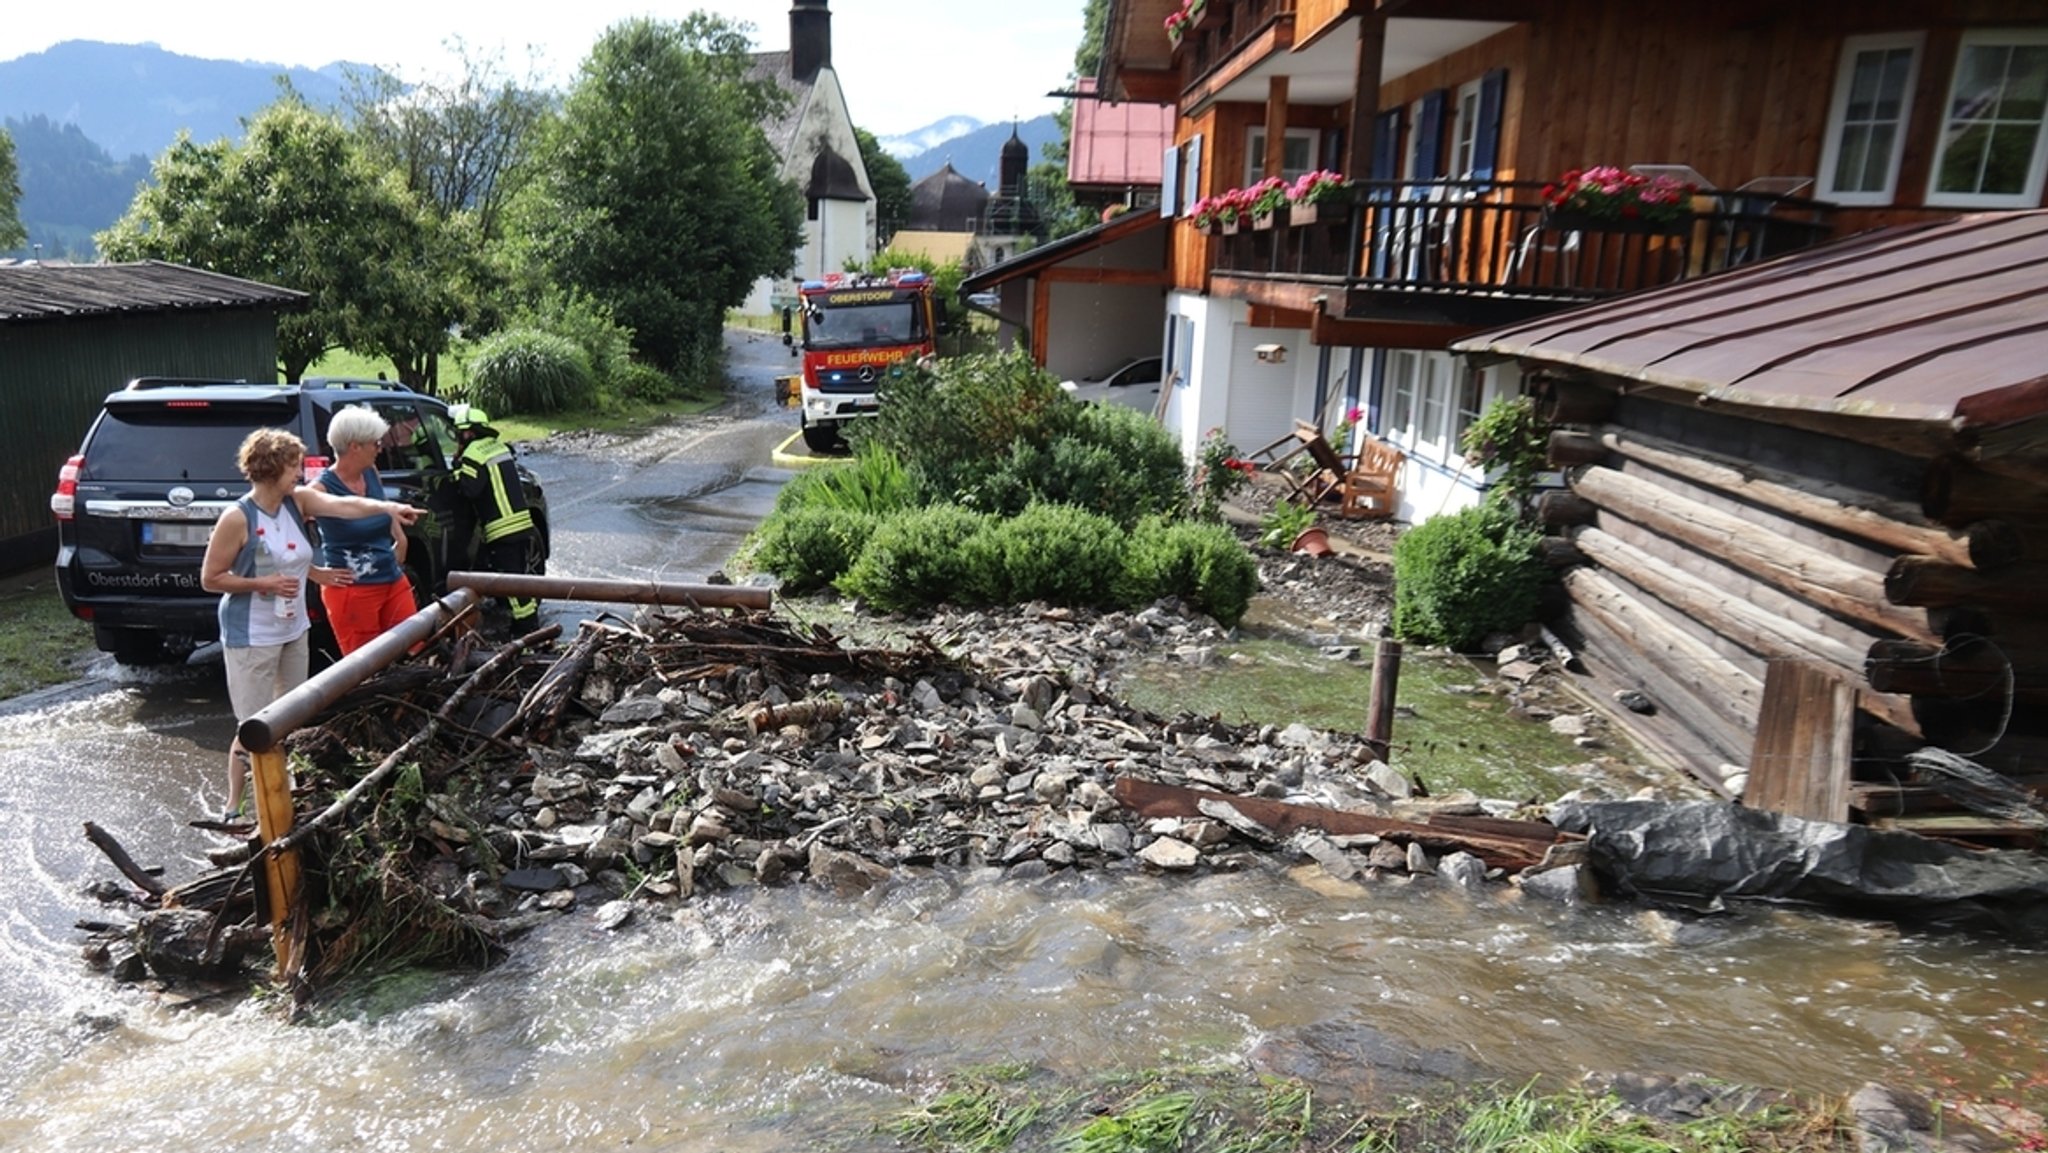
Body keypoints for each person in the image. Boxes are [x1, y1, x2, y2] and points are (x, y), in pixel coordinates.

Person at [200, 428, 422, 822]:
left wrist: (386, 511)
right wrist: (261, 583)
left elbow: (344, 506)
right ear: (270, 470)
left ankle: (286, 792)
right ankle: (235, 806)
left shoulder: (296, 502)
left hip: (293, 628)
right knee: (254, 724)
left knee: (290, 716)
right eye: (293, 467)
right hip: (251, 633)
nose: (300, 475)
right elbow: (211, 578)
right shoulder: (237, 518)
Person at [313, 406, 416, 655]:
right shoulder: (319, 490)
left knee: (417, 645)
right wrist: (313, 572)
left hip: (391, 578)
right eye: (376, 443)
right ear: (354, 446)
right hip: (353, 592)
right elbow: (281, 535)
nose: (380, 449)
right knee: (366, 664)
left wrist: (399, 538)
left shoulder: (370, 472)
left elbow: (380, 506)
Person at [449, 403, 543, 633]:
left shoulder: (473, 453)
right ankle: (529, 625)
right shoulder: (497, 447)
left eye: (459, 434)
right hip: (521, 524)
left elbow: (470, 489)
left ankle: (526, 629)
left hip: (502, 529)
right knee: (521, 579)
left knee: (512, 585)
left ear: (467, 432)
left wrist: (456, 469)